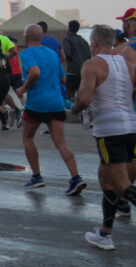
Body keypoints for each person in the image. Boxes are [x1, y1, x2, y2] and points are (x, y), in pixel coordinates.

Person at [70, 25, 136, 250]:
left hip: (110, 132)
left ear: (95, 42)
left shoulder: (91, 65)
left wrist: (74, 109)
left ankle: (105, 235)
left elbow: (86, 99)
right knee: (106, 180)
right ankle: (105, 235)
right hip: (131, 128)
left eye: (90, 42)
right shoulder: (127, 62)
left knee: (121, 185)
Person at [17, 24, 85, 195]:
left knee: (27, 137)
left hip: (37, 103)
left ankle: (36, 176)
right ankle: (75, 177)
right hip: (56, 103)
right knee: (61, 142)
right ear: (41, 37)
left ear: (26, 38)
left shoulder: (26, 54)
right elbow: (63, 79)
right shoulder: (53, 54)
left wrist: (23, 89)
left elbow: (34, 72)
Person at [62, 20, 92, 100]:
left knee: (69, 96)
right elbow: (89, 55)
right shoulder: (83, 41)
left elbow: (66, 53)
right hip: (84, 73)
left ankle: (73, 111)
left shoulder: (67, 39)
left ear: (69, 28)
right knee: (82, 96)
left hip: (72, 73)